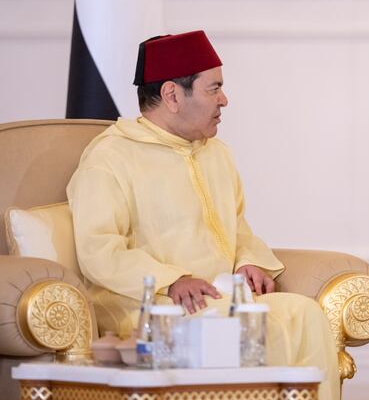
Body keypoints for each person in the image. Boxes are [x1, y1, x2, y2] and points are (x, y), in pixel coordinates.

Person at [68, 30, 339, 400]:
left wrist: (249, 261)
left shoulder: (217, 154)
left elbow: (237, 228)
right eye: (214, 88)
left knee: (304, 314)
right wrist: (172, 279)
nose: (225, 100)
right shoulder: (110, 157)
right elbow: (98, 250)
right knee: (247, 328)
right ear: (172, 95)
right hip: (151, 307)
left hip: (221, 298)